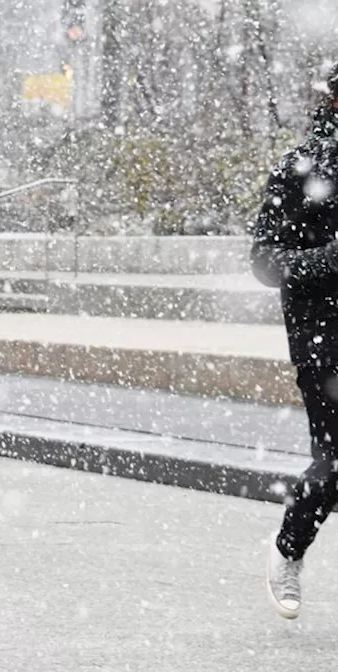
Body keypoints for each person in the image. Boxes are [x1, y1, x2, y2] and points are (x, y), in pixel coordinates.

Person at [254, 63, 338, 619]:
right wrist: (329, 261)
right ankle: (289, 550)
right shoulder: (300, 167)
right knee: (334, 462)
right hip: (324, 335)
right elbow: (264, 259)